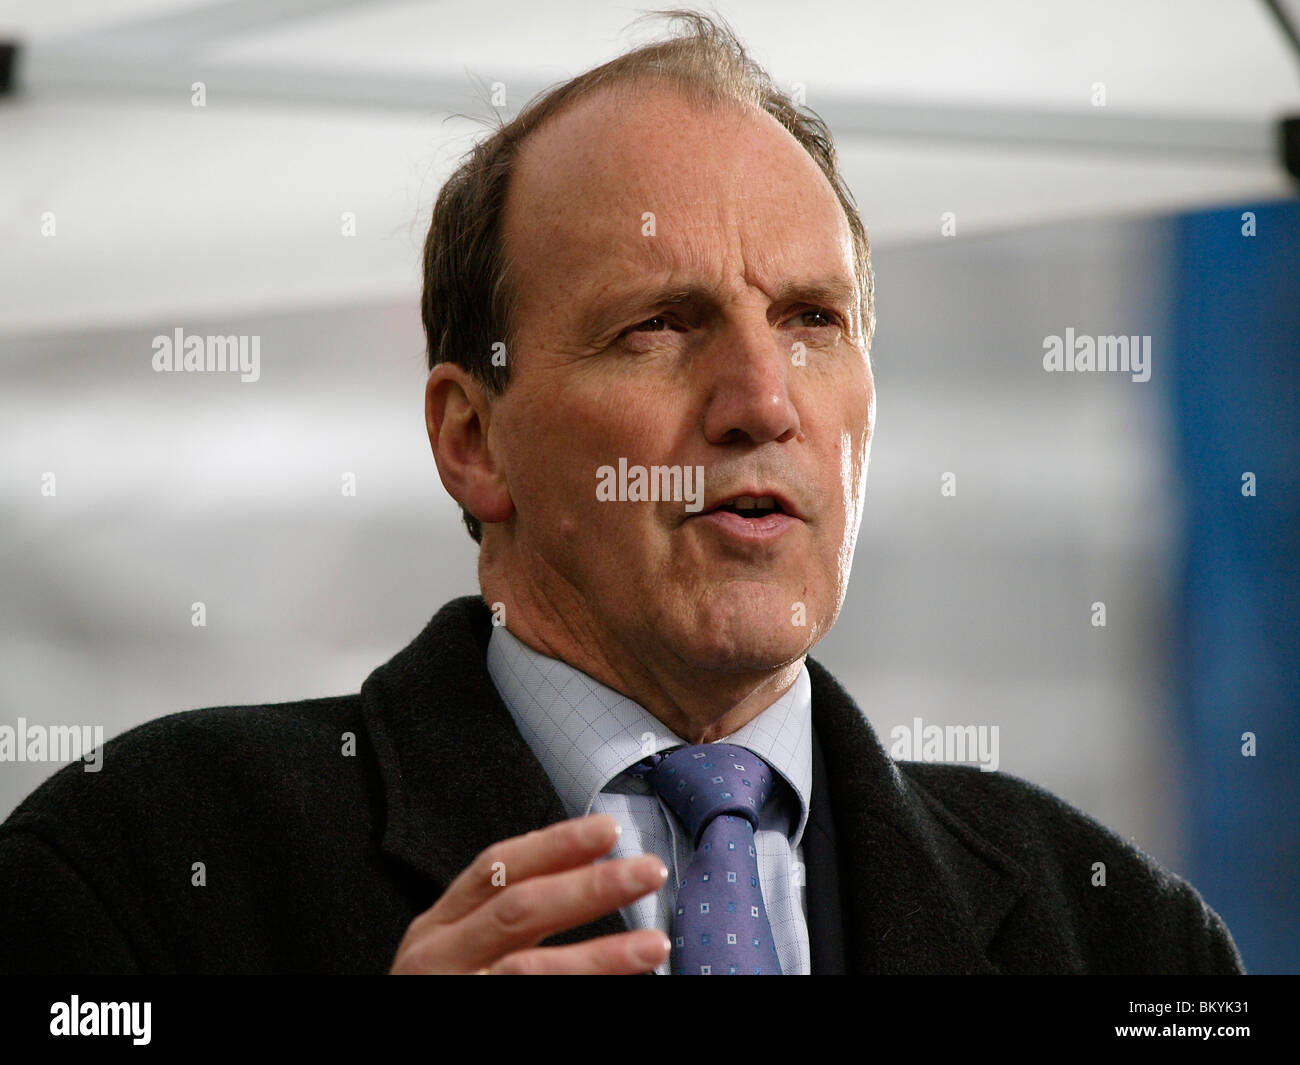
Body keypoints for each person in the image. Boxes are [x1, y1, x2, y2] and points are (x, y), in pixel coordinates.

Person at [0, 11, 1242, 975]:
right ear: (471, 439)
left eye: (814, 321)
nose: (763, 399)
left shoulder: (1117, 931)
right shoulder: (144, 864)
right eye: (658, 327)